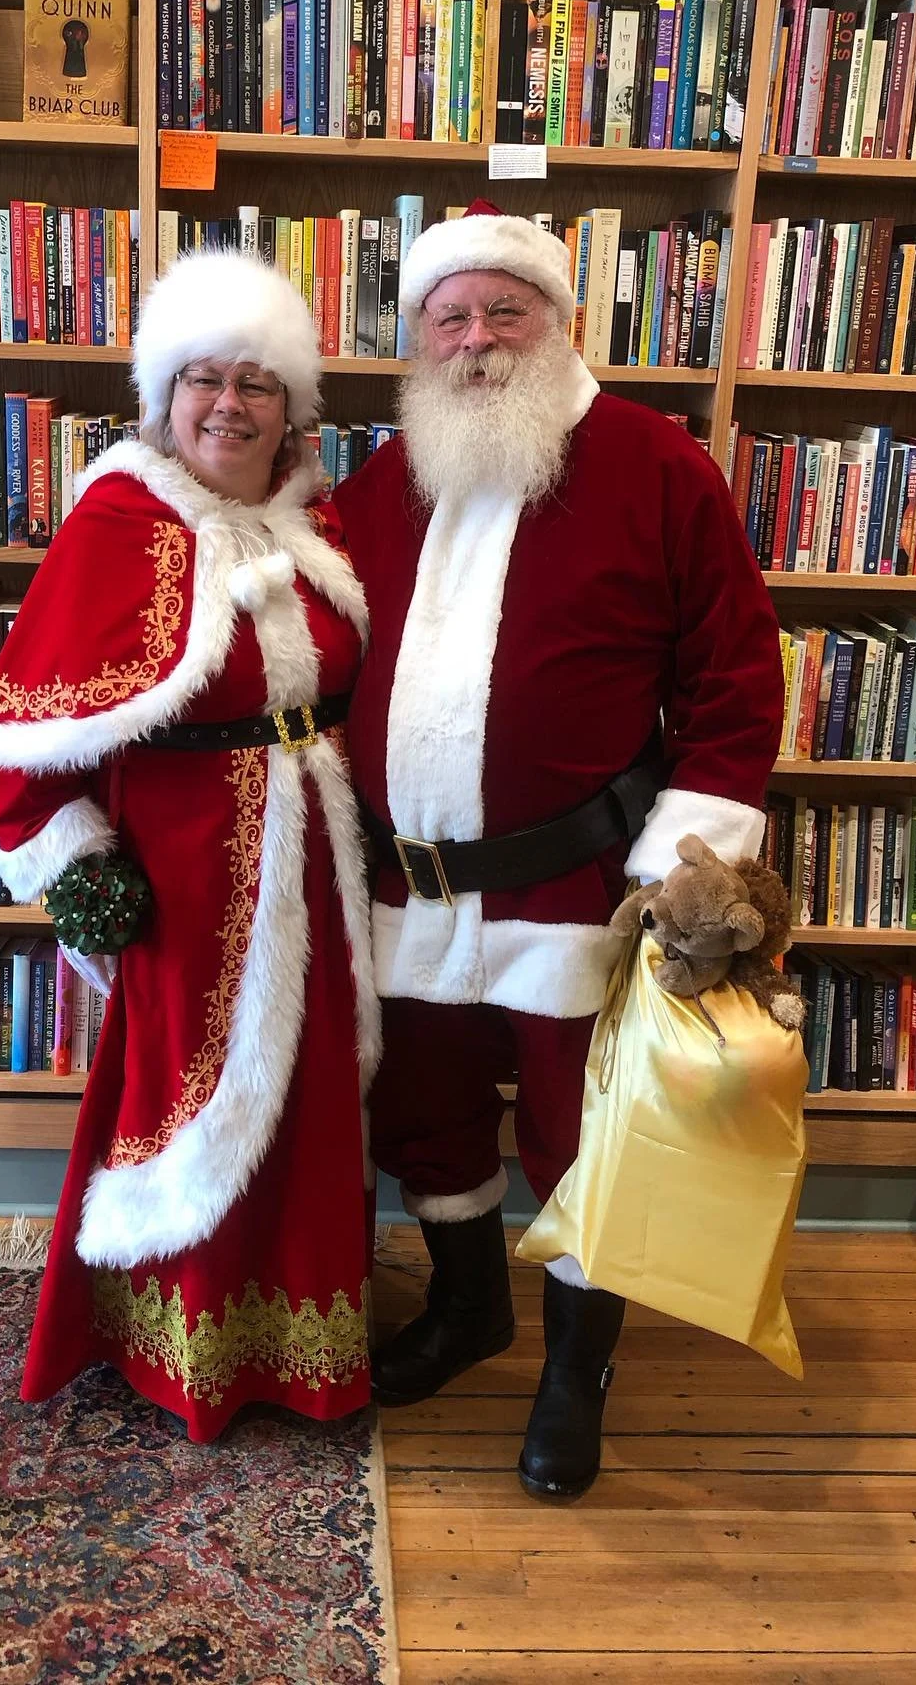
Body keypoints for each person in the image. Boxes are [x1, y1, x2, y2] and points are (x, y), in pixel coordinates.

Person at [335, 200, 786, 1499]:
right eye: (450, 316)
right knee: (423, 1114)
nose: (478, 338)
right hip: (401, 885)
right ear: (421, 339)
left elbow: (734, 681)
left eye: (504, 309)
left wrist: (691, 864)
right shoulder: (384, 477)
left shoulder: (657, 466)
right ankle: (470, 1310)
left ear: (559, 321)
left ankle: (575, 1371)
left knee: (591, 1136)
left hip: (575, 886)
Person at [0, 249, 379, 1442]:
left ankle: (302, 1348)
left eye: (256, 383)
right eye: (204, 380)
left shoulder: (323, 523)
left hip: (317, 867)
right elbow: (36, 741)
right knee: (184, 1101)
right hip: (184, 883)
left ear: (292, 409)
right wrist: (76, 867)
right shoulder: (118, 522)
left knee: (307, 1109)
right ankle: (183, 1353)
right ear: (163, 396)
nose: (228, 406)